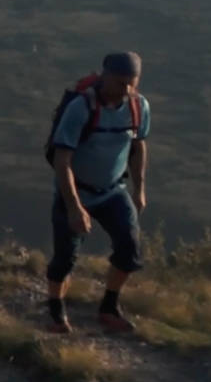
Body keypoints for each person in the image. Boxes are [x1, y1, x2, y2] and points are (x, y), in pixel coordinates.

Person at [46, 50, 150, 334]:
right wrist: (74, 207)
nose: (126, 89)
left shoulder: (138, 107)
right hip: (76, 192)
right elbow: (62, 159)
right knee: (65, 257)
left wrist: (139, 189)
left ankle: (109, 308)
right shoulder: (81, 108)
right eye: (120, 82)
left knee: (129, 250)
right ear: (105, 77)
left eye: (132, 83)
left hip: (113, 191)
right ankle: (55, 311)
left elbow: (138, 146)